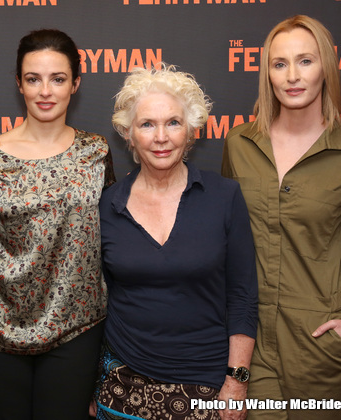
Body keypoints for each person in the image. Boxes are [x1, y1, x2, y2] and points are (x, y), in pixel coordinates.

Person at [222, 15, 341, 420]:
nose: (292, 76)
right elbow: (228, 238)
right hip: (252, 342)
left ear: (326, 69)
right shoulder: (239, 143)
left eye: (305, 61)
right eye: (279, 64)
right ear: (267, 72)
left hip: (322, 347)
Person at [95, 64, 258, 420]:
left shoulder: (224, 196)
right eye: (147, 124)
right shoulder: (108, 203)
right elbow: (95, 297)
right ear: (129, 134)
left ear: (190, 130)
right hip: (123, 386)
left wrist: (237, 381)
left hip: (207, 386)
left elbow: (243, 296)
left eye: (173, 122)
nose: (161, 137)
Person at [0, 28, 115, 420]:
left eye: (58, 78)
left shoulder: (96, 152)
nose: (45, 91)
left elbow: (115, 242)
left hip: (78, 328)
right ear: (19, 84)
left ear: (76, 84)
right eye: (33, 79)